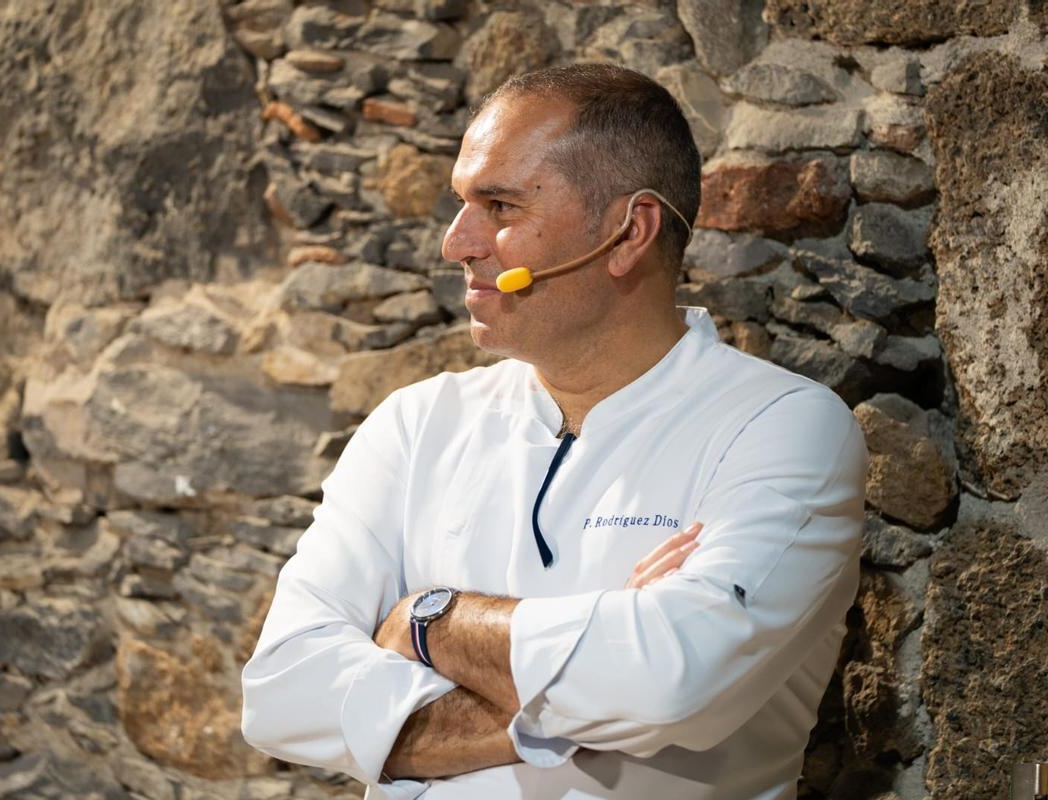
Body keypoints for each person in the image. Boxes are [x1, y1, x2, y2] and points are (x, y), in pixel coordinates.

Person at [241, 63, 866, 799]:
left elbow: (671, 681)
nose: (456, 244)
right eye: (461, 203)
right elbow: (282, 691)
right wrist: (585, 695)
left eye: (499, 206)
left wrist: (425, 620)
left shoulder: (782, 428)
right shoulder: (416, 426)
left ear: (629, 231)